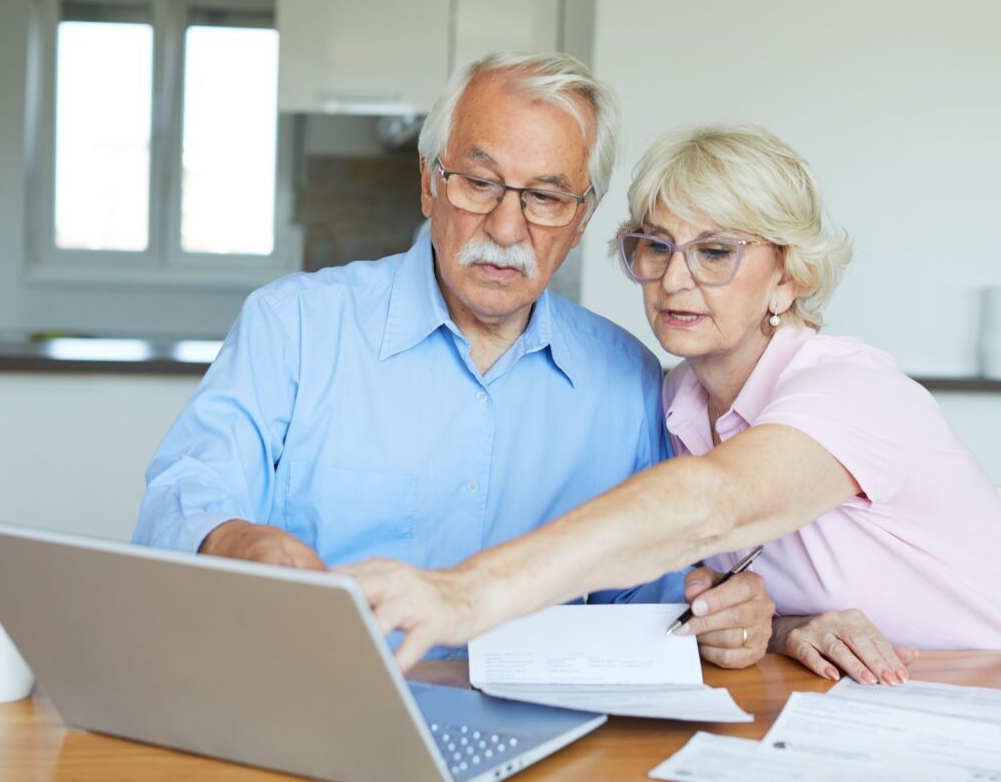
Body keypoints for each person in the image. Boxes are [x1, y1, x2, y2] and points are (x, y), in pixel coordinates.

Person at [133, 56, 774, 665]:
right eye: (479, 183)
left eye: (545, 198)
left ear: (581, 220)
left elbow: (642, 600)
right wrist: (233, 540)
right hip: (315, 699)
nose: (504, 228)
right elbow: (188, 489)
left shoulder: (628, 379)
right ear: (429, 184)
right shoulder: (294, 325)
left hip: (541, 728)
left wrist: (718, 614)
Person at [342, 124, 1001, 684]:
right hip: (884, 703)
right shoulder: (672, 404)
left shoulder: (855, 391)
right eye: (657, 246)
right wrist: (787, 626)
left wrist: (463, 595)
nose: (674, 279)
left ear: (790, 276)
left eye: (716, 251)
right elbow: (731, 589)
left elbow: (712, 504)